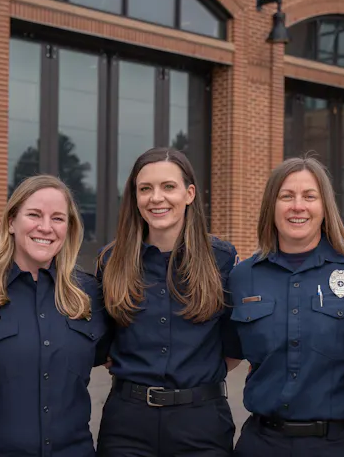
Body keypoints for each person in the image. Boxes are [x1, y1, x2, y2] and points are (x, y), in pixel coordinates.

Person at [0, 175, 110, 457]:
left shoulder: (90, 295)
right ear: (11, 221)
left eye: (58, 218)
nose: (45, 227)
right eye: (34, 214)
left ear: (69, 228)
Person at [228, 156, 344, 457]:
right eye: (286, 196)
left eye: (309, 196)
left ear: (324, 206)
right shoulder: (243, 276)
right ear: (271, 207)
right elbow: (225, 352)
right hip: (263, 444)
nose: (297, 206)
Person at [96, 147, 241, 457]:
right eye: (145, 189)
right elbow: (104, 340)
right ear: (134, 197)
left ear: (189, 194)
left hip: (201, 423)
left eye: (168, 187)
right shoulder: (112, 261)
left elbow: (233, 346)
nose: (156, 198)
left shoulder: (223, 259)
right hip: (127, 425)